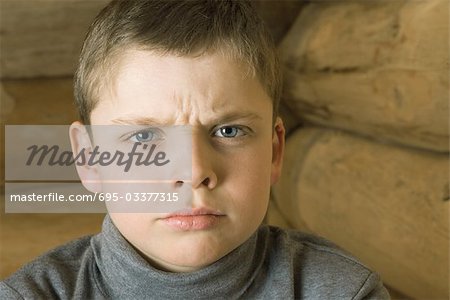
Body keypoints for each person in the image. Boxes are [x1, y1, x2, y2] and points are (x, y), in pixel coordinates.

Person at [1, 0, 390, 299]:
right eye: (143, 137)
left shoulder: (343, 291)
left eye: (229, 130)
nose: (193, 171)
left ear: (273, 152)